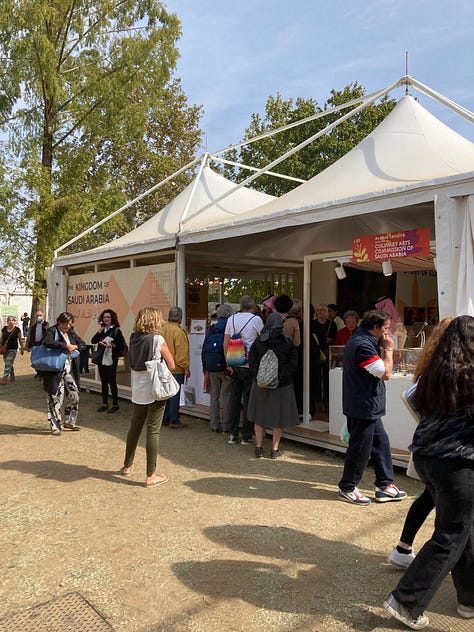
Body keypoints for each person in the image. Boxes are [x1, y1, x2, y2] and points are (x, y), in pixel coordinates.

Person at [383, 315, 474, 629]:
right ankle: (405, 601)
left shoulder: (433, 372)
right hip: (458, 463)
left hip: (427, 457)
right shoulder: (470, 373)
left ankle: (468, 599)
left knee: (462, 530)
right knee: (450, 534)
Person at [387, 317, 452, 570]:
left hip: (427, 446)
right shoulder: (449, 370)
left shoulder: (429, 367)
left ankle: (403, 548)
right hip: (447, 451)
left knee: (429, 498)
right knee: (445, 511)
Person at [337, 309, 407, 505]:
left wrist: (384, 348)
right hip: (362, 405)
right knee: (360, 448)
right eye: (385, 328)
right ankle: (347, 487)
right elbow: (385, 373)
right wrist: (389, 350)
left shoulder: (364, 340)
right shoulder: (362, 344)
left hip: (368, 404)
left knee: (381, 443)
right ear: (375, 327)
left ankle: (384, 485)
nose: (387, 333)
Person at [121, 307, 175, 487]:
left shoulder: (133, 337)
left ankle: (127, 466)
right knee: (153, 430)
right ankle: (151, 475)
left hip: (138, 387)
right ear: (155, 321)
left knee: (135, 426)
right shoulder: (157, 339)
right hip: (155, 387)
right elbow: (172, 364)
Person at [248, 313, 299, 458]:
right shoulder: (287, 342)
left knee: (259, 415)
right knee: (279, 417)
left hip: (260, 384)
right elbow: (293, 364)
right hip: (281, 385)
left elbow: (251, 360)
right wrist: (281, 377)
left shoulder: (258, 341)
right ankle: (274, 449)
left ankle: (258, 447)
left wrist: (259, 375)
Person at [224, 295, 264, 445]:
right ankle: (246, 434)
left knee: (234, 398)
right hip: (250, 364)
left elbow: (225, 343)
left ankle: (233, 433)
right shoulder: (256, 320)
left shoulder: (231, 319)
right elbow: (263, 339)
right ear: (253, 306)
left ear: (240, 305)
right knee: (248, 399)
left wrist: (227, 362)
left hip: (234, 362)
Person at [42, 312, 87, 435]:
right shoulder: (52, 331)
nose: (67, 326)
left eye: (69, 323)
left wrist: (76, 346)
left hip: (69, 370)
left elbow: (82, 343)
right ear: (59, 322)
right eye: (65, 323)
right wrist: (65, 346)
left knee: (74, 394)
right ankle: (55, 425)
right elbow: (47, 342)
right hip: (54, 370)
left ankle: (69, 421)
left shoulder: (71, 332)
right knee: (55, 398)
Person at [201, 304, 233, 432]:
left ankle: (214, 424)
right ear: (229, 314)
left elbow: (204, 349)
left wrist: (205, 367)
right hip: (226, 366)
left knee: (214, 396)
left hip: (212, 366)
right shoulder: (230, 327)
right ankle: (226, 425)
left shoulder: (212, 328)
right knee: (226, 396)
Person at [91, 309, 127, 414]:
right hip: (102, 358)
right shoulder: (102, 330)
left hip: (111, 357)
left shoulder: (116, 330)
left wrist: (111, 345)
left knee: (112, 381)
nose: (106, 319)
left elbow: (121, 345)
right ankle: (104, 403)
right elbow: (93, 341)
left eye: (108, 317)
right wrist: (99, 331)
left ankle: (115, 404)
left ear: (112, 319)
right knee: (103, 381)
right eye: (104, 317)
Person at [162, 306, 190, 429]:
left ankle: (165, 417)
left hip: (163, 367)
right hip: (176, 368)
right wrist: (186, 367)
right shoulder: (179, 332)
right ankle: (174, 419)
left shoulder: (162, 329)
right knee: (175, 394)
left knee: (166, 394)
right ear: (180, 318)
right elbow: (181, 353)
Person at [311, 304, 337, 413]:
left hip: (327, 353)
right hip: (314, 354)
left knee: (327, 378)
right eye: (318, 310)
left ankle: (327, 402)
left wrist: (320, 341)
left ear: (326, 312)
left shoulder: (332, 323)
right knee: (316, 378)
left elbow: (331, 338)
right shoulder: (312, 323)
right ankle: (316, 403)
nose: (320, 312)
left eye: (322, 310)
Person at [26, 309, 49, 379]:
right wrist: (29, 346)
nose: (39, 317)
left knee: (42, 359)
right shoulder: (34, 326)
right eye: (37, 316)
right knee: (34, 359)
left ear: (43, 316)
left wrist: (43, 324)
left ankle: (42, 373)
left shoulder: (46, 324)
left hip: (43, 344)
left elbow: (47, 331)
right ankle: (38, 372)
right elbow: (31, 336)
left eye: (40, 315)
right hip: (35, 344)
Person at [1, 316, 24, 384]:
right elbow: (1, 337)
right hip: (4, 349)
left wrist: (22, 348)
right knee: (8, 363)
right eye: (9, 320)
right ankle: (12, 376)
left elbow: (20, 339)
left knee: (8, 362)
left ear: (14, 321)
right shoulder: (4, 328)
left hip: (13, 349)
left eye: (12, 320)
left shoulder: (17, 330)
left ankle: (4, 378)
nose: (10, 322)